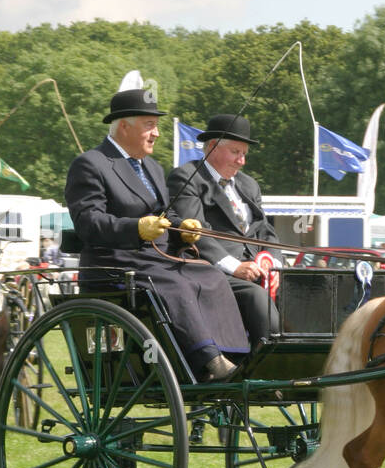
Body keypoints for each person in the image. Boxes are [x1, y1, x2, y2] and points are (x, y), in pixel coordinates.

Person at [65, 89, 248, 382]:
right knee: (175, 283)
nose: (157, 133)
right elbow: (88, 222)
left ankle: (234, 353)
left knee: (210, 275)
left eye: (156, 125)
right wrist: (135, 227)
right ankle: (209, 359)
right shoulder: (91, 164)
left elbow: (164, 215)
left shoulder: (151, 167)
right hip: (115, 263)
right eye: (150, 124)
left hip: (156, 259)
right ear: (125, 125)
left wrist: (183, 229)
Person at [166, 114, 281, 345]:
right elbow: (197, 233)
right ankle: (267, 366)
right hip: (215, 271)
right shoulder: (188, 178)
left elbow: (266, 230)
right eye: (236, 152)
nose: (242, 161)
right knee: (256, 296)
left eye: (244, 154)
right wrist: (235, 266)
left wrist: (274, 264)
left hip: (257, 270)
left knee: (305, 288)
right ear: (211, 148)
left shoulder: (249, 185)